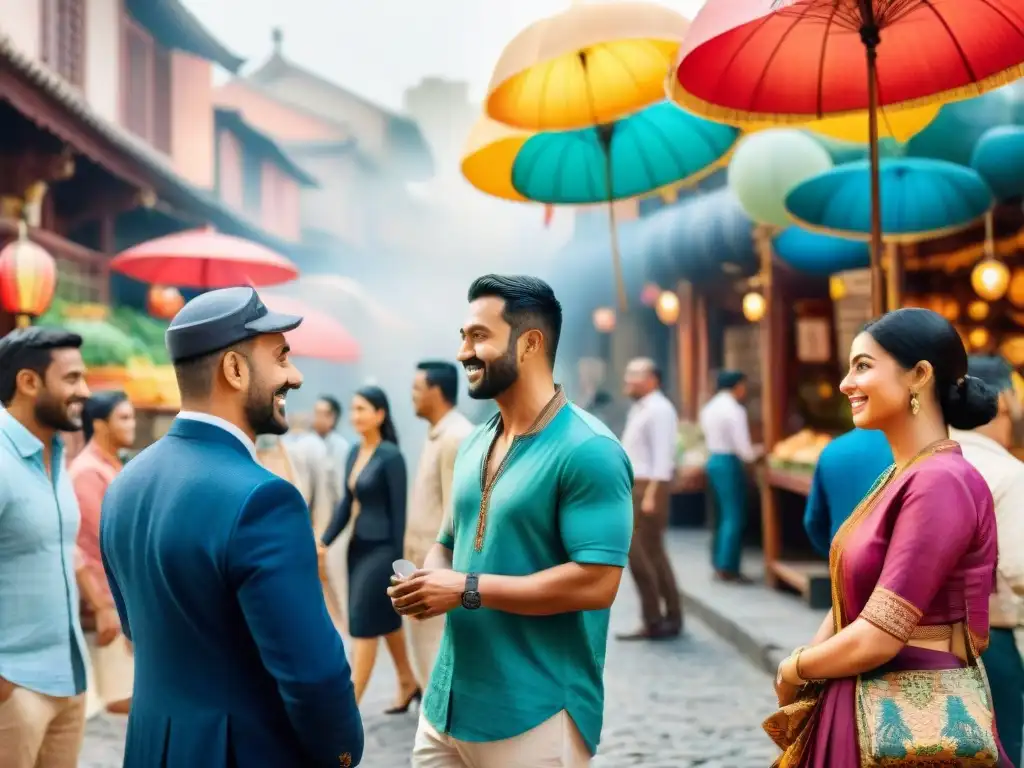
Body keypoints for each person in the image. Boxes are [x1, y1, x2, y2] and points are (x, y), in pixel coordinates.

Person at [100, 287, 363, 768]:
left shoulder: (123, 484)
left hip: (152, 748)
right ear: (235, 370)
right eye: (281, 358)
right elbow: (313, 675)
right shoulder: (265, 499)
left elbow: (139, 631)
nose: (295, 376)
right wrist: (342, 754)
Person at [389, 275, 634, 767]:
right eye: (463, 336)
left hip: (536, 712)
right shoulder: (476, 441)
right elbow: (447, 540)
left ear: (529, 343)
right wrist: (428, 579)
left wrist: (466, 589)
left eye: (478, 336)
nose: (462, 353)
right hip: (447, 705)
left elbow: (597, 583)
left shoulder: (590, 451)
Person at [771, 308, 1010, 766]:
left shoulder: (940, 481)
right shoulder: (901, 474)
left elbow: (879, 637)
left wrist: (795, 667)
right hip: (861, 694)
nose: (845, 383)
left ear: (920, 375)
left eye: (863, 365)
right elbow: (850, 601)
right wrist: (811, 663)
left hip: (909, 713)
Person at [0, 328, 99, 768]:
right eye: (73, 378)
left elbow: (59, 547)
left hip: (69, 678)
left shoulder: (55, 452)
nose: (86, 391)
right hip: (13, 689)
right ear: (28, 382)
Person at [319, 386, 419, 712]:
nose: (355, 415)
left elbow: (399, 513)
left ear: (380, 414)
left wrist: (397, 564)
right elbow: (347, 504)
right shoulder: (353, 452)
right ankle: (407, 681)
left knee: (362, 624)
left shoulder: (391, 456)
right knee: (386, 622)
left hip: (382, 553)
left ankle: (346, 712)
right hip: (357, 548)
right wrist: (323, 541)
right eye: (353, 409)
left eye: (362, 409)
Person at [952, 355, 1024, 768]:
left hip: (927, 640)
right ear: (1005, 398)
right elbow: (1018, 570)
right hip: (989, 642)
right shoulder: (1007, 473)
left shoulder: (926, 462)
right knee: (1001, 752)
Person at [406, 360, 474, 687]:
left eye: (417, 389)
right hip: (422, 563)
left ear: (436, 391)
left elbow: (457, 515)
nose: (412, 396)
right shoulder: (438, 433)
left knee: (438, 656)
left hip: (439, 569)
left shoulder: (456, 436)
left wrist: (445, 574)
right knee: (425, 652)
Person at [70, 390, 137, 716]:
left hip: (120, 599)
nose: (133, 424)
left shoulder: (111, 466)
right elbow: (98, 545)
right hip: (107, 605)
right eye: (124, 417)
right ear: (99, 425)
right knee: (119, 704)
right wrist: (105, 607)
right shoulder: (87, 473)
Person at [617, 357, 683, 640]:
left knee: (646, 554)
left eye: (635, 375)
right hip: (637, 486)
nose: (628, 380)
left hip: (648, 487)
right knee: (646, 555)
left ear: (652, 380)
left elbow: (662, 456)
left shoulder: (659, 409)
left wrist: (653, 494)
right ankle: (658, 617)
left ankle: (661, 618)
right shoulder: (642, 409)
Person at [699, 370, 760, 582]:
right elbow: (743, 447)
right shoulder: (734, 409)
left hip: (713, 460)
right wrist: (756, 454)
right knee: (733, 515)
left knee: (719, 514)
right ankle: (728, 566)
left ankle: (718, 562)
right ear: (737, 386)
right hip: (728, 462)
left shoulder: (710, 407)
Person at [802, 428, 893, 556]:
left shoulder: (831, 451)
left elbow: (813, 523)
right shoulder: (913, 453)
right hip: (896, 568)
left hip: (843, 566)